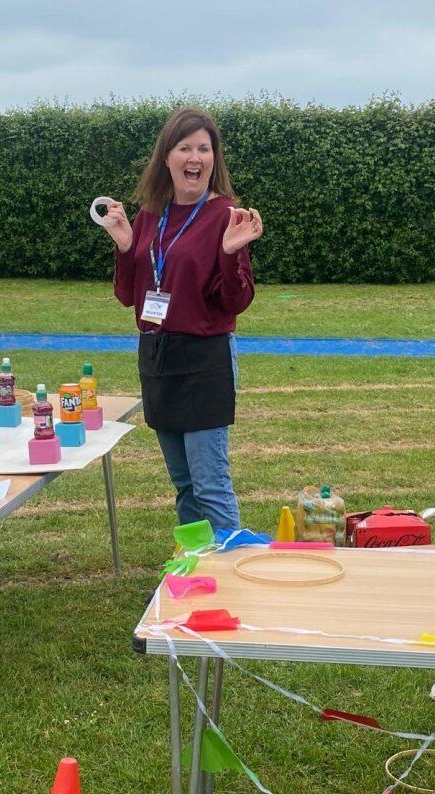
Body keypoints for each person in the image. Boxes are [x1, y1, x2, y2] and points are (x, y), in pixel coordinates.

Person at [100, 106, 264, 532]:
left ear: (214, 159)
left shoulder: (225, 216)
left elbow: (235, 301)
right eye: (185, 148)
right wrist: (125, 248)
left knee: (210, 485)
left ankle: (228, 560)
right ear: (167, 157)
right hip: (157, 356)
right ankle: (195, 559)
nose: (195, 157)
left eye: (204, 149)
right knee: (185, 485)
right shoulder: (150, 215)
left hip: (204, 357)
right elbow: (128, 296)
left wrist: (230, 255)